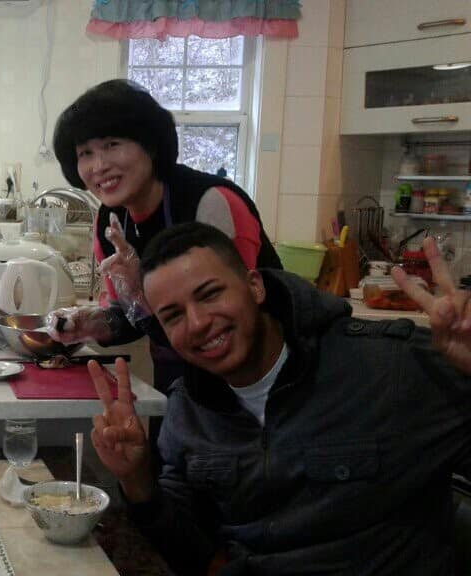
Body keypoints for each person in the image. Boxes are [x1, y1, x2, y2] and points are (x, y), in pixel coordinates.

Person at [87, 221, 471, 575]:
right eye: (173, 316)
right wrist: (136, 477)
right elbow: (188, 545)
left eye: (210, 294)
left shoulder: (389, 367)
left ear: (255, 286)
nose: (198, 323)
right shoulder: (189, 409)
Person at [46, 79, 281, 392]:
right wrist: (90, 324)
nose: (99, 165)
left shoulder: (210, 202)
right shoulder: (110, 220)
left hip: (261, 377)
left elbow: (229, 320)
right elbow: (129, 318)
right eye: (85, 153)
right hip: (180, 378)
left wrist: (139, 292)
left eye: (112, 144)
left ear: (151, 144)